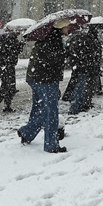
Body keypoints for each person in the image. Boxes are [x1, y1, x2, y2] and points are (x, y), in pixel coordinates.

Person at [18, 19, 70, 153]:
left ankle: (27, 133)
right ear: (60, 28)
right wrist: (64, 54)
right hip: (45, 80)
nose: (68, 28)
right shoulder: (53, 42)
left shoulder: (49, 39)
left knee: (40, 109)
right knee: (51, 112)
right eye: (67, 26)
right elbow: (50, 61)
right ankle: (51, 145)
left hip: (38, 79)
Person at [68, 25, 103, 114]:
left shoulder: (86, 39)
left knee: (83, 86)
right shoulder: (89, 40)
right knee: (82, 87)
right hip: (87, 67)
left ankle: (81, 104)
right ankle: (76, 107)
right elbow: (91, 54)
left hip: (85, 66)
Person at [0, 31, 24, 112]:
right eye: (18, 31)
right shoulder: (12, 40)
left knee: (9, 87)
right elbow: (15, 52)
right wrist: (20, 44)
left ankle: (6, 106)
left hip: (5, 66)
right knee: (7, 87)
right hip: (8, 66)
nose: (19, 33)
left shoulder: (6, 40)